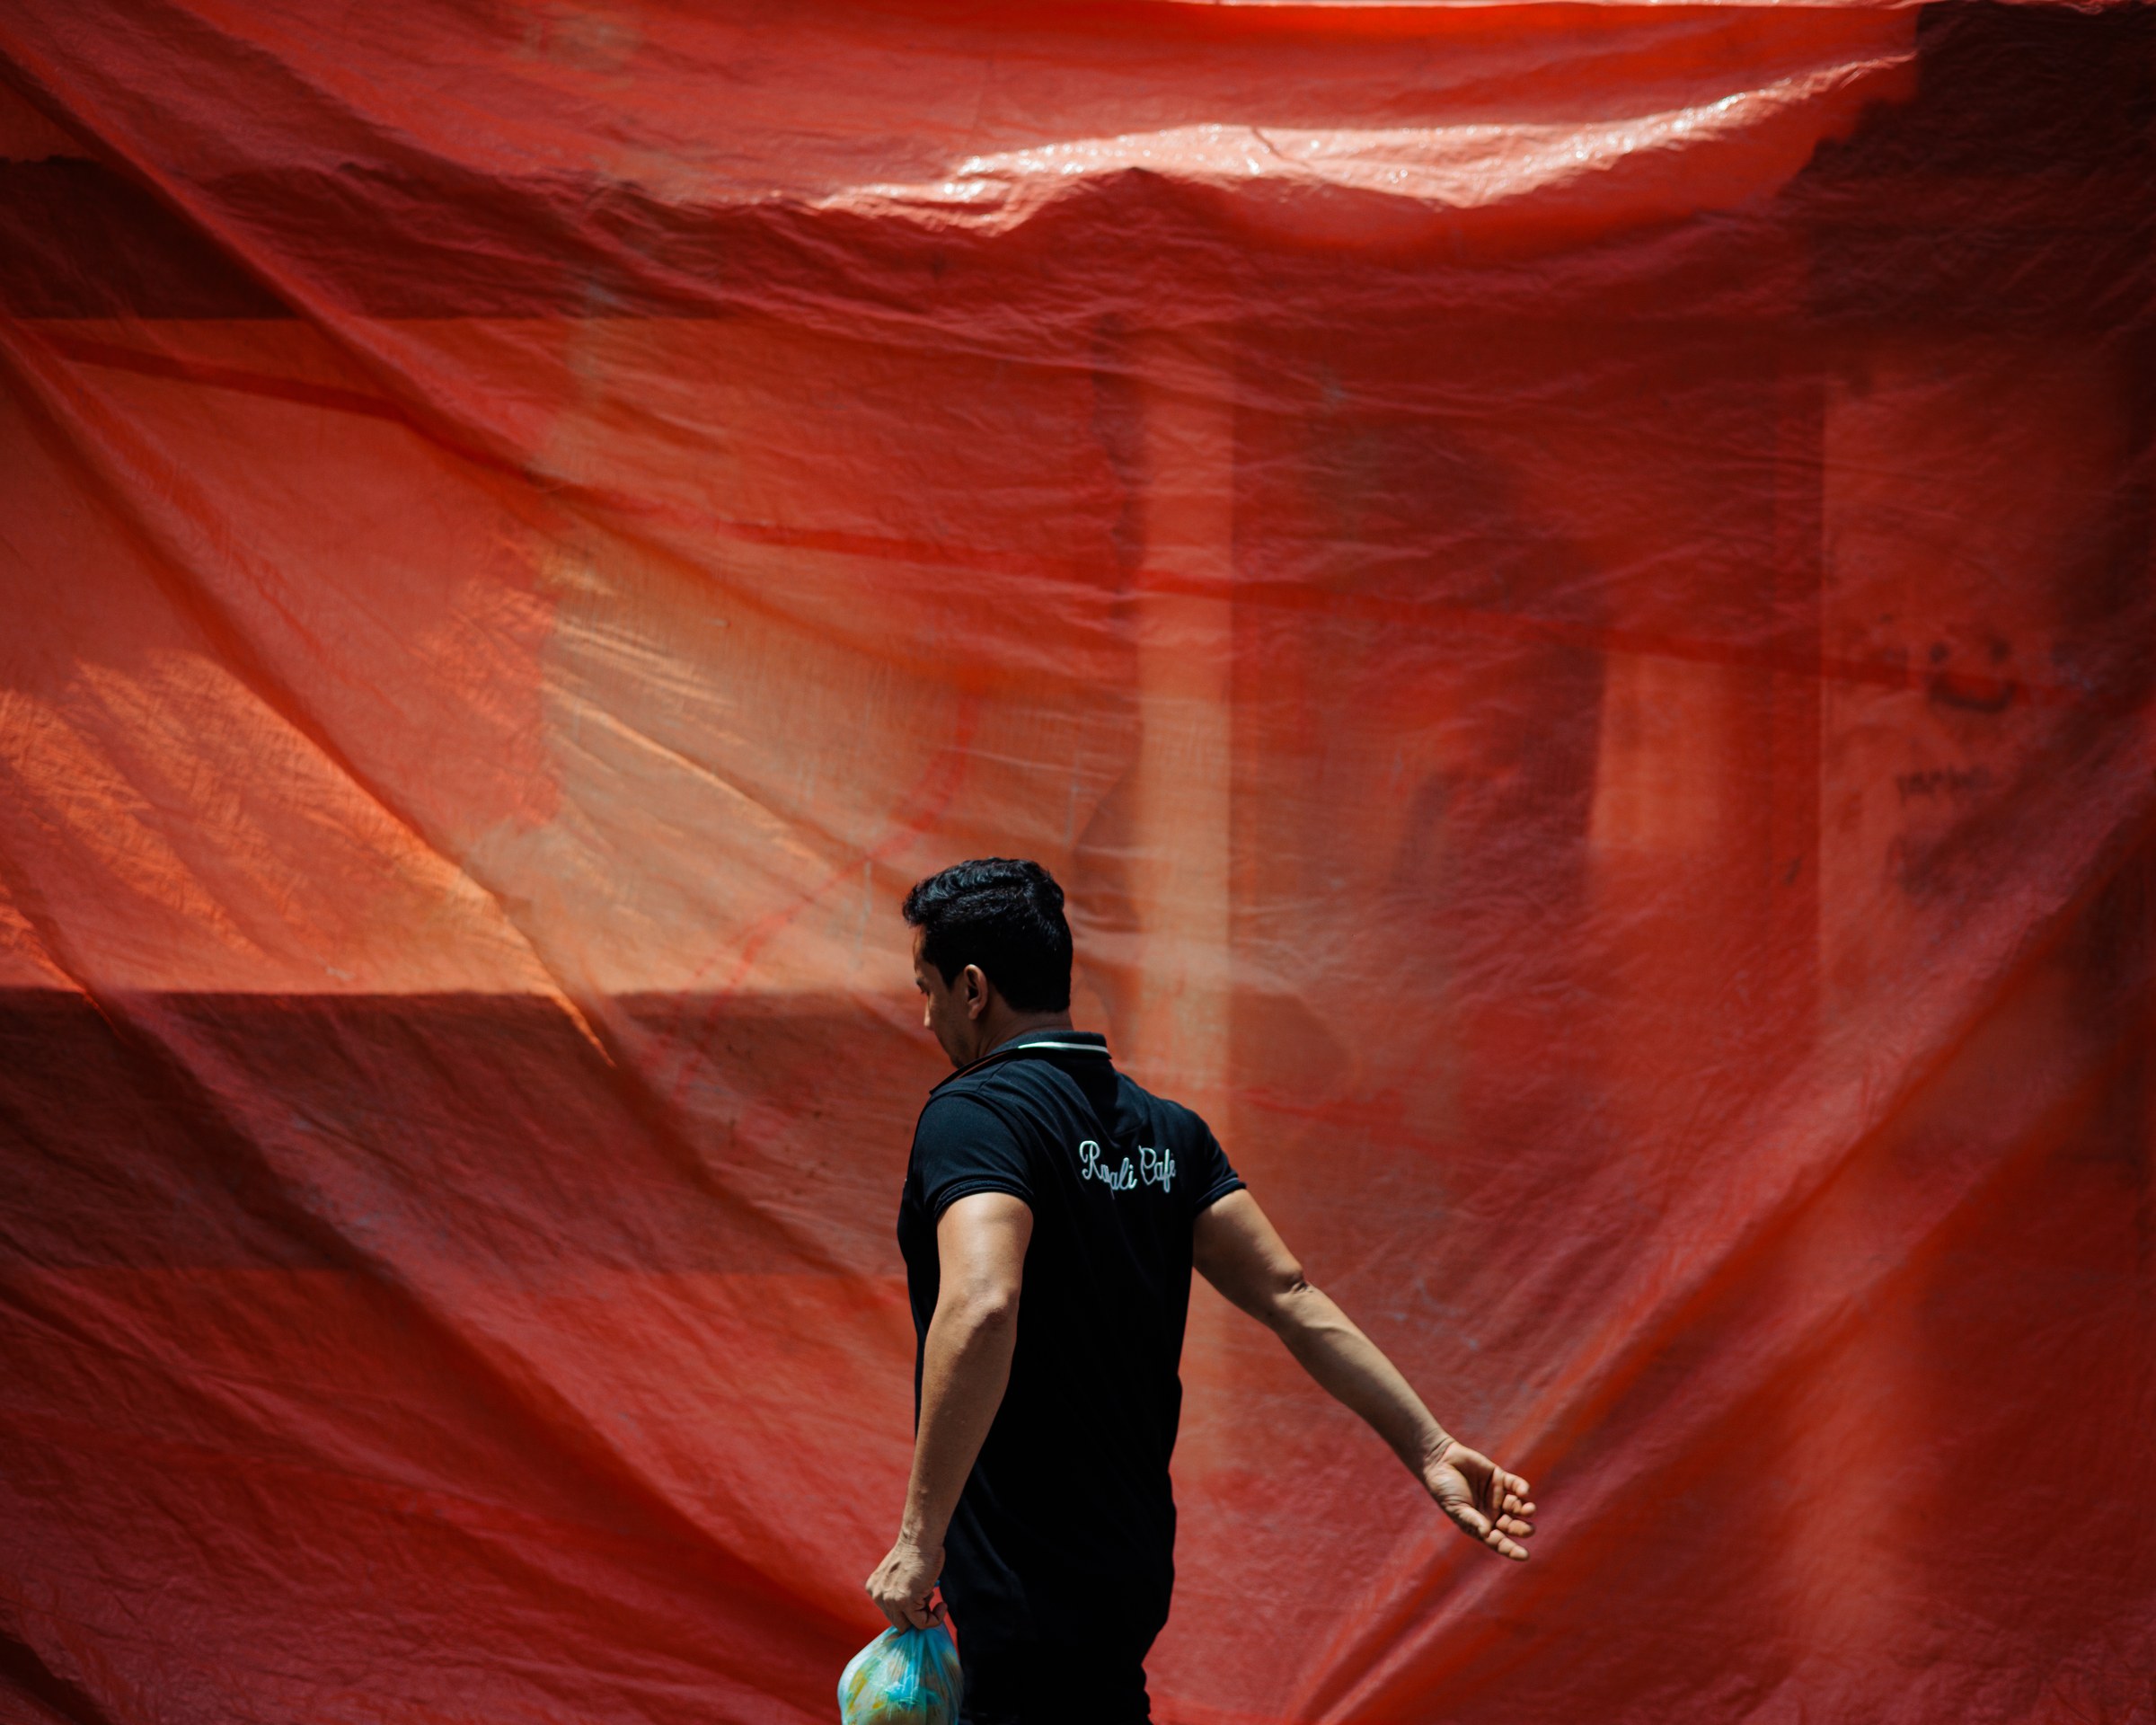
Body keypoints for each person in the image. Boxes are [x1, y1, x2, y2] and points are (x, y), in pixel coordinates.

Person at [866, 857, 1535, 1725]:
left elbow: (985, 1301)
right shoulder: (1167, 1133)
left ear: (973, 988)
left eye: (926, 990)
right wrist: (1432, 1447)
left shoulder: (976, 1116)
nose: (924, 1016)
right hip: (1129, 1571)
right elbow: (1290, 1294)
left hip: (1018, 1583)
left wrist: (919, 1545)